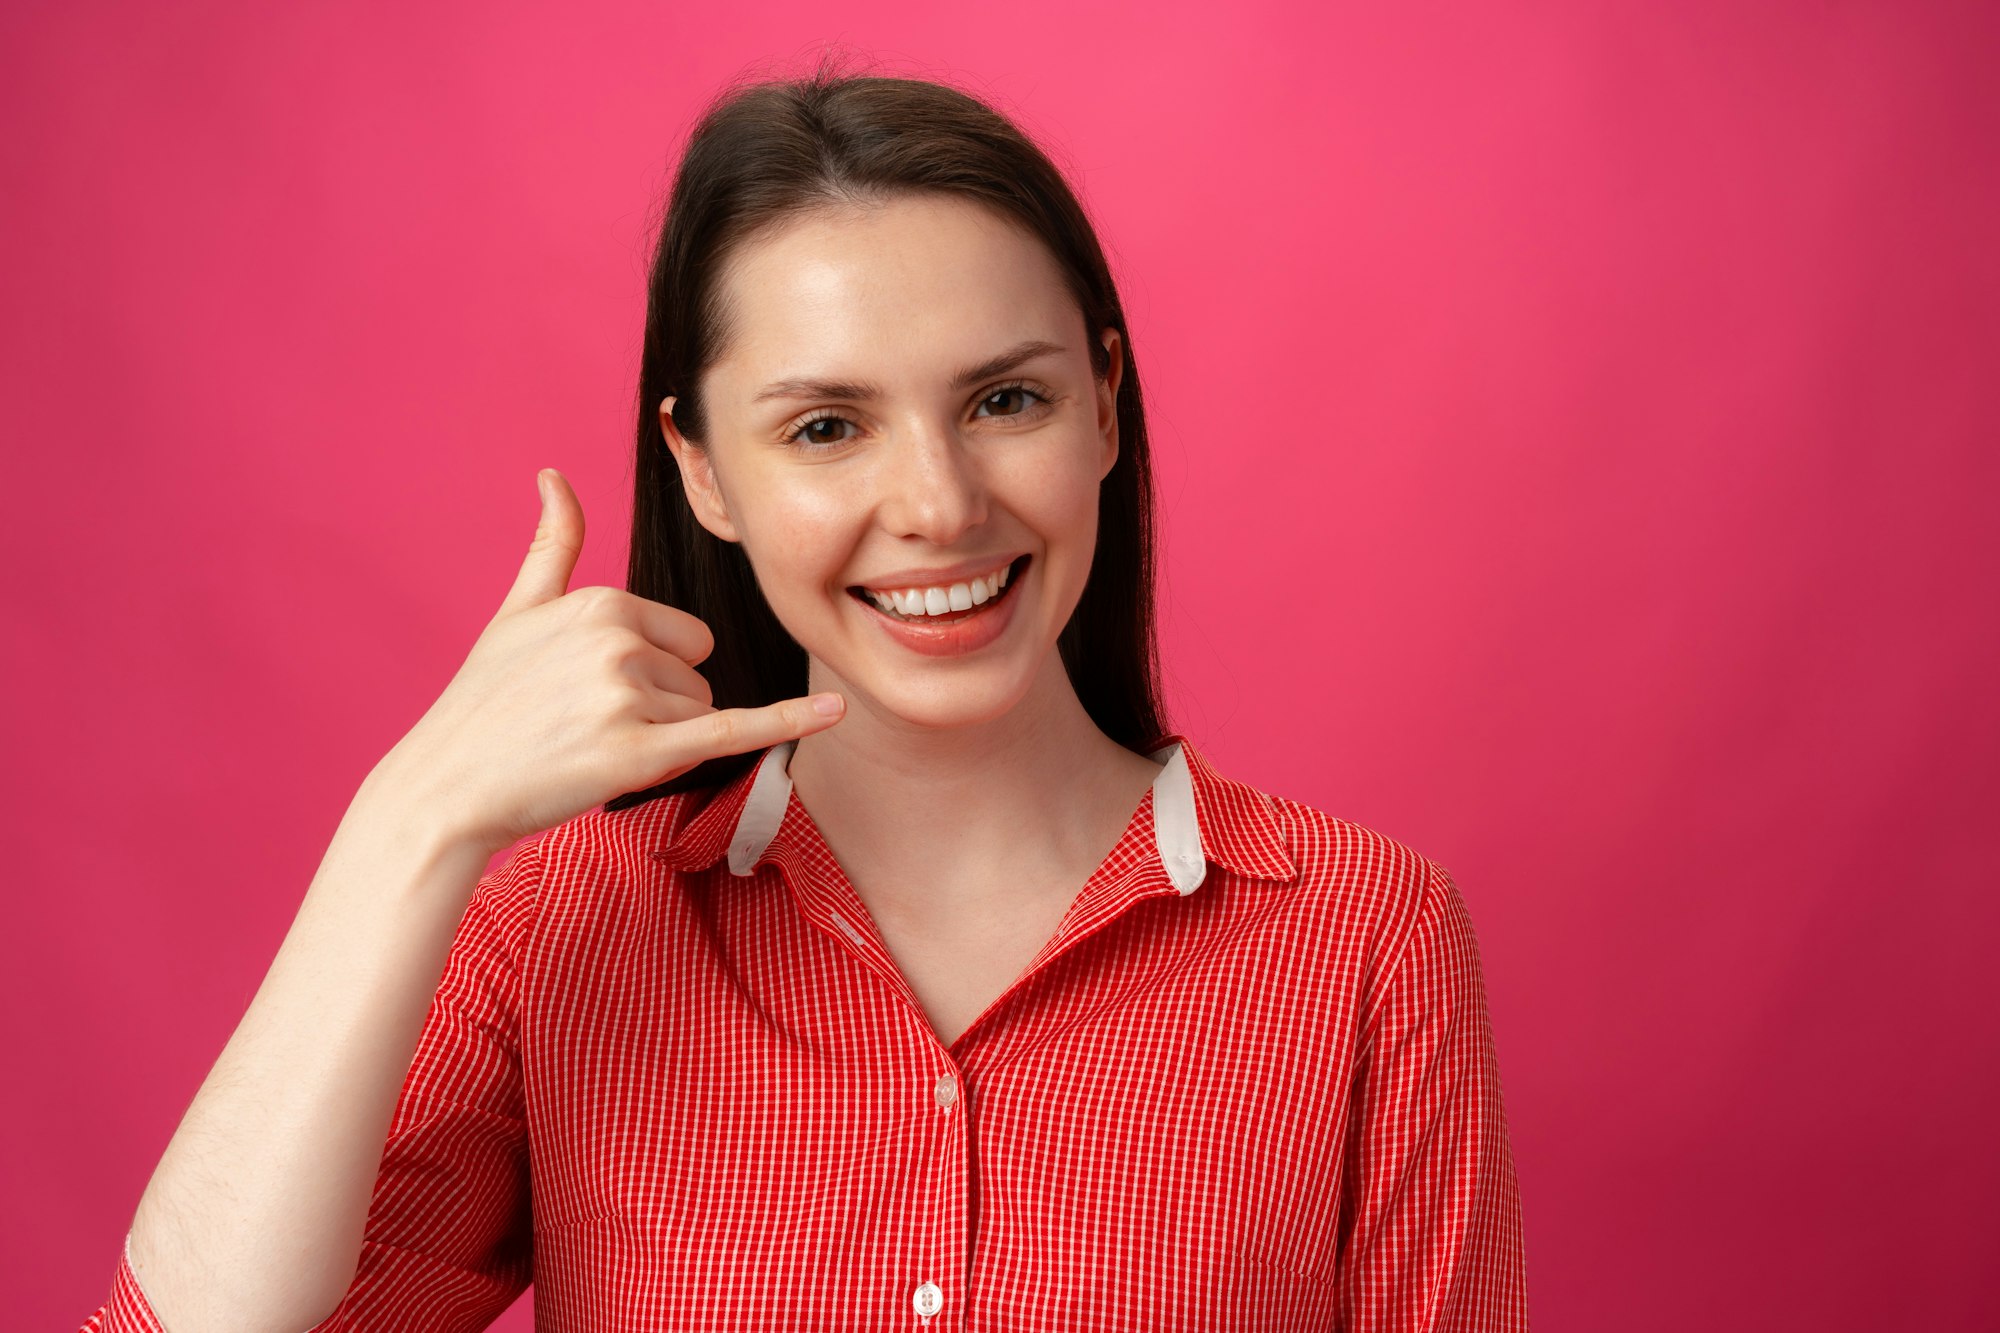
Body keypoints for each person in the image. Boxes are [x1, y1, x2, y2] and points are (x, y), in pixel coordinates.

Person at [80, 59, 1528, 1332]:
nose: (937, 503)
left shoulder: (1365, 937)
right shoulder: (563, 932)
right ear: (703, 468)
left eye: (1004, 399)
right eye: (828, 426)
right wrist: (410, 821)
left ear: (1102, 400)